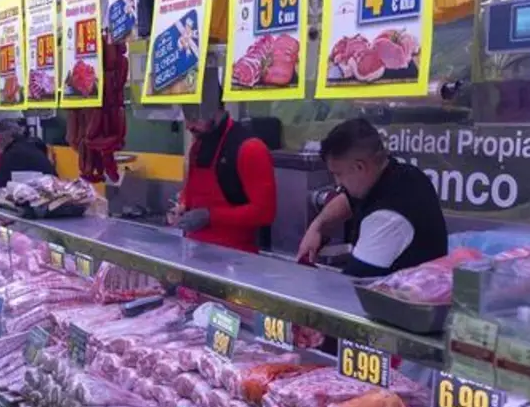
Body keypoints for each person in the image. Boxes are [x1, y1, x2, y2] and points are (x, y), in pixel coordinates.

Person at [298, 118, 448, 277]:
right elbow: (346, 201)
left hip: (404, 298)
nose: (338, 183)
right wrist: (318, 227)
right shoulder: (402, 174)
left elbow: (351, 286)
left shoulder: (388, 217)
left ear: (359, 167)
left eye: (338, 174)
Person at [170, 98, 277, 254]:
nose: (188, 126)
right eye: (186, 116)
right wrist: (182, 206)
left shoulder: (251, 148)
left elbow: (264, 213)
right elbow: (191, 192)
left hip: (235, 259)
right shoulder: (198, 145)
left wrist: (210, 216)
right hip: (195, 253)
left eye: (194, 117)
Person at [0, 118, 57, 189]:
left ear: (1, 137)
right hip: (56, 189)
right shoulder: (32, 145)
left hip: (43, 194)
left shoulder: (11, 154)